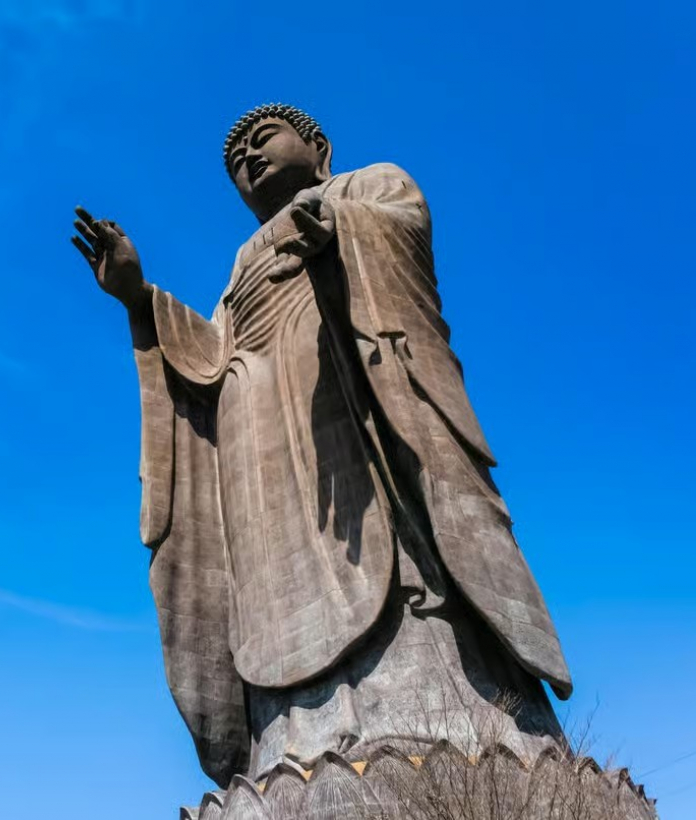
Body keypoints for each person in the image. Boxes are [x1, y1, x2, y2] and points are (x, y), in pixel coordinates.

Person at [72, 103, 572, 787]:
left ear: (318, 145)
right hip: (258, 446)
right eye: (234, 161)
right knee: (271, 589)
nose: (247, 158)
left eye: (261, 140)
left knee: (388, 542)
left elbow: (403, 232)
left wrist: (339, 237)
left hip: (348, 397)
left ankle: (436, 707)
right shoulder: (241, 264)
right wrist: (139, 297)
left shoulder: (366, 188)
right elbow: (214, 356)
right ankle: (292, 739)